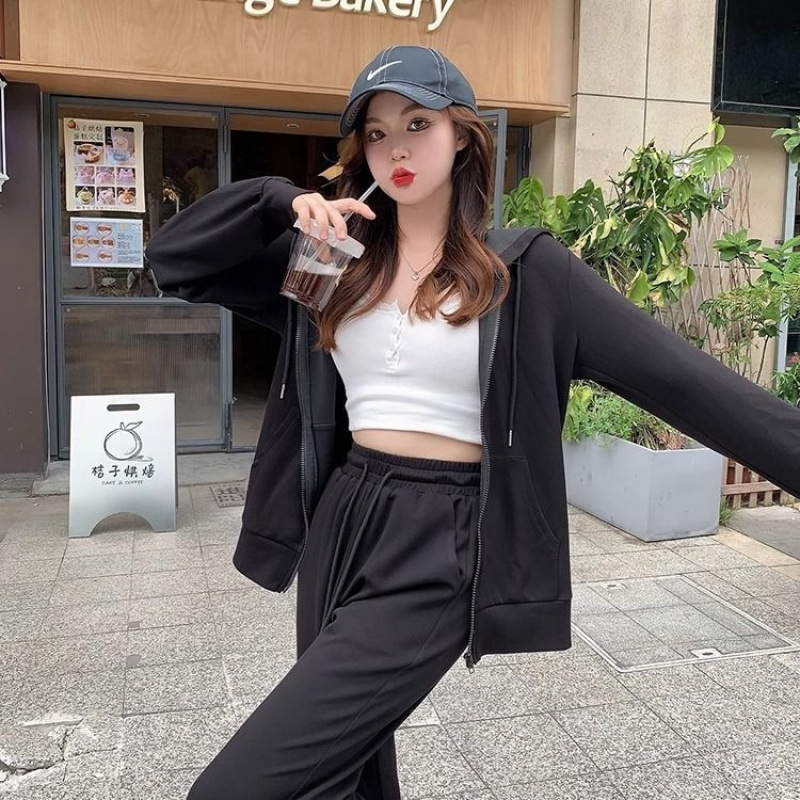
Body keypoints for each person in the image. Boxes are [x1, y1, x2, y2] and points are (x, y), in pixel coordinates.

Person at [144, 45, 800, 800]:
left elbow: (694, 386)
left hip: (442, 537)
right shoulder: (335, 262)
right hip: (343, 516)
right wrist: (276, 201)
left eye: (417, 124)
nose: (396, 149)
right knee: (342, 771)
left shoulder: (524, 272)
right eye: (377, 133)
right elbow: (176, 260)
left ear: (461, 135)